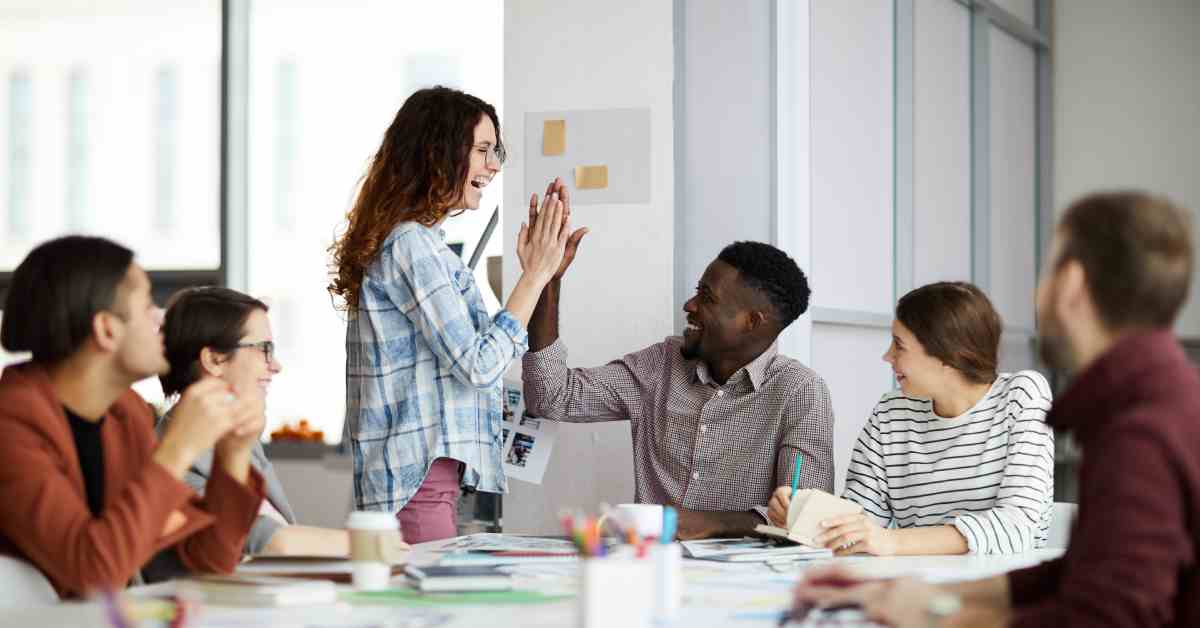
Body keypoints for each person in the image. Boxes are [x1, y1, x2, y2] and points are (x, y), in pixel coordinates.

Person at [791, 191, 1200, 627]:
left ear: (1073, 285)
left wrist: (938, 618)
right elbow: (1077, 574)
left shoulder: (1139, 431)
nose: (1037, 293)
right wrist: (926, 595)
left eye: (1046, 271)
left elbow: (1104, 616)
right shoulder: (1158, 400)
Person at [328, 86, 581, 543]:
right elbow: (479, 365)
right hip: (416, 488)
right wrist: (532, 277)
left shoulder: (422, 245)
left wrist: (538, 275)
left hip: (425, 486)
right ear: (437, 154)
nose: (494, 166)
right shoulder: (411, 245)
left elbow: (479, 355)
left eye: (495, 151)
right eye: (483, 150)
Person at [0, 236, 265, 598]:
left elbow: (207, 559)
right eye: (146, 306)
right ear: (107, 329)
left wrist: (233, 452)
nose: (162, 317)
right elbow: (91, 571)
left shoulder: (125, 413)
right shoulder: (11, 423)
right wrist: (175, 450)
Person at [523, 238, 835, 540]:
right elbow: (552, 397)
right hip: (650, 568)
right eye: (697, 292)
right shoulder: (661, 364)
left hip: (747, 582)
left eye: (707, 298)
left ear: (752, 321)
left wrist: (712, 524)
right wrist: (546, 280)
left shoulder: (800, 392)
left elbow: (805, 518)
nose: (690, 305)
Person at [767, 282, 1054, 556]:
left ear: (947, 356)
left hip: (1005, 591)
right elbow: (861, 520)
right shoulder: (890, 412)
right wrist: (802, 515)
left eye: (899, 346)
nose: (886, 356)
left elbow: (1019, 525)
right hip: (915, 585)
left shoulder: (1022, 395)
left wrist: (892, 541)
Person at [154, 287, 358, 557]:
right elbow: (264, 540)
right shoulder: (174, 455)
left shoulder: (236, 437)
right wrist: (369, 544)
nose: (275, 365)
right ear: (214, 359)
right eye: (264, 349)